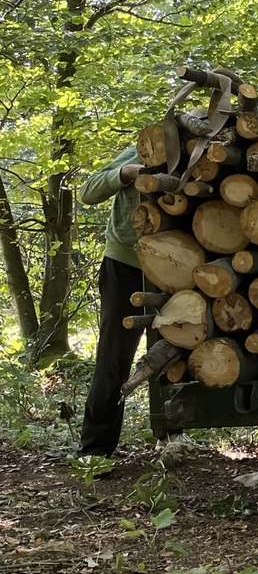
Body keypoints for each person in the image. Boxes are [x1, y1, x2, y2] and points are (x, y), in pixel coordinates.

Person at [76, 146, 146, 457]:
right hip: (125, 266)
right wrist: (124, 174)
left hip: (179, 266)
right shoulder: (140, 152)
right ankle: (95, 449)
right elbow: (88, 192)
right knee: (114, 357)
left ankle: (172, 431)